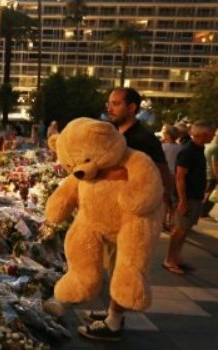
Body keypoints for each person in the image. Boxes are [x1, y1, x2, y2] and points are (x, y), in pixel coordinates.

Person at [78, 87, 171, 341]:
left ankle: (114, 323)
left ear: (132, 108)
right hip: (113, 215)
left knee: (125, 266)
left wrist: (168, 203)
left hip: (132, 218)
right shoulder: (115, 136)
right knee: (114, 265)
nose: (110, 108)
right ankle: (112, 309)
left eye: (116, 103)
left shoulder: (143, 139)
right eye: (109, 103)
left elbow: (161, 174)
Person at [163, 121, 214, 274]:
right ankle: (169, 259)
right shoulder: (188, 151)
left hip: (194, 197)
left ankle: (177, 258)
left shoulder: (198, 149)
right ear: (202, 134)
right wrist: (183, 201)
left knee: (184, 229)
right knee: (179, 230)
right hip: (187, 197)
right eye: (211, 133)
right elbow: (180, 177)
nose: (213, 135)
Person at [161, 125, 183, 228]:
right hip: (176, 175)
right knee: (174, 200)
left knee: (164, 199)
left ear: (168, 135)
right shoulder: (181, 148)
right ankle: (172, 221)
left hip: (164, 176)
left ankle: (163, 220)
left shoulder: (163, 147)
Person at [200, 128, 218, 220]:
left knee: (205, 194)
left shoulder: (208, 145)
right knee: (209, 195)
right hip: (211, 174)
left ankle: (201, 212)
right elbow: (215, 164)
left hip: (206, 172)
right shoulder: (216, 148)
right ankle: (203, 212)